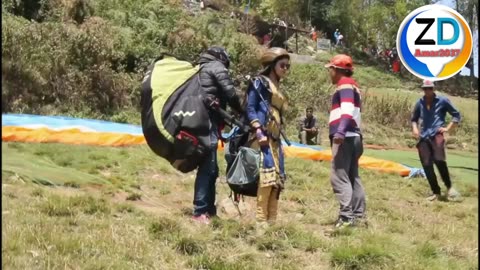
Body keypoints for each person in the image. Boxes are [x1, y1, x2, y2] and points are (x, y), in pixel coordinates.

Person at [193, 46, 243, 224]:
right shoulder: (215, 66)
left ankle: (209, 210)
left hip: (200, 120)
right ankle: (200, 212)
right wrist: (243, 112)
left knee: (212, 169)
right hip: (207, 122)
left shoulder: (199, 68)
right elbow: (230, 92)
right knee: (208, 168)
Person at [246, 47, 290, 234]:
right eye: (282, 65)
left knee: (277, 180)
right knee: (266, 177)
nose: (286, 69)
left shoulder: (278, 88)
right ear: (272, 65)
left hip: (276, 139)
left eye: (288, 66)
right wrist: (257, 129)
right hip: (262, 136)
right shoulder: (259, 83)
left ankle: (272, 219)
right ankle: (260, 220)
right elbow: (250, 107)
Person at [325, 54, 366, 229]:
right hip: (355, 136)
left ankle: (346, 217)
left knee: (339, 176)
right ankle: (359, 216)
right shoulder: (354, 87)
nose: (330, 74)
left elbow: (347, 110)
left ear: (337, 70)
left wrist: (340, 132)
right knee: (352, 176)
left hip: (345, 137)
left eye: (331, 70)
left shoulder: (345, 85)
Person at [411, 80, 461, 201]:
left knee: (439, 160)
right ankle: (436, 192)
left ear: (433, 88)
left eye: (430, 88)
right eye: (425, 89)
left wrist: (447, 129)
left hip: (437, 134)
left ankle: (449, 188)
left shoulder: (442, 101)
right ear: (422, 89)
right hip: (424, 136)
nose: (427, 91)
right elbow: (414, 118)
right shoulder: (420, 102)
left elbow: (456, 115)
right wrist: (415, 129)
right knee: (427, 164)